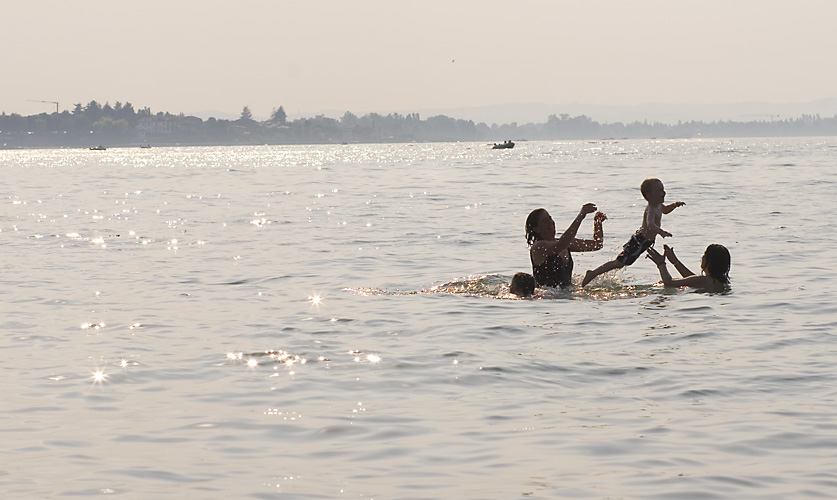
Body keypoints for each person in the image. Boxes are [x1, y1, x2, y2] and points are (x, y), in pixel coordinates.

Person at [582, 178, 685, 286]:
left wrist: (674, 205)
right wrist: (661, 232)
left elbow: (666, 210)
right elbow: (650, 224)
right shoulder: (651, 208)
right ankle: (593, 273)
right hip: (639, 241)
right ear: (649, 195)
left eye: (663, 189)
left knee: (622, 263)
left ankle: (596, 274)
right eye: (659, 190)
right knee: (619, 262)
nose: (663, 192)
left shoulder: (658, 205)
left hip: (644, 242)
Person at [526, 203, 607, 289]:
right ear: (536, 229)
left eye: (551, 219)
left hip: (565, 295)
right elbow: (561, 244)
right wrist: (580, 216)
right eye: (545, 221)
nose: (551, 223)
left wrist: (598, 223)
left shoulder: (565, 243)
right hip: (546, 297)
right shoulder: (538, 247)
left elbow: (597, 245)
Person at [646, 244, 730, 288]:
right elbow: (692, 279)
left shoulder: (704, 280)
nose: (702, 257)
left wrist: (661, 264)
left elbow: (669, 283)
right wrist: (675, 261)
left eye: (705, 255)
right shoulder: (721, 280)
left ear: (710, 261)